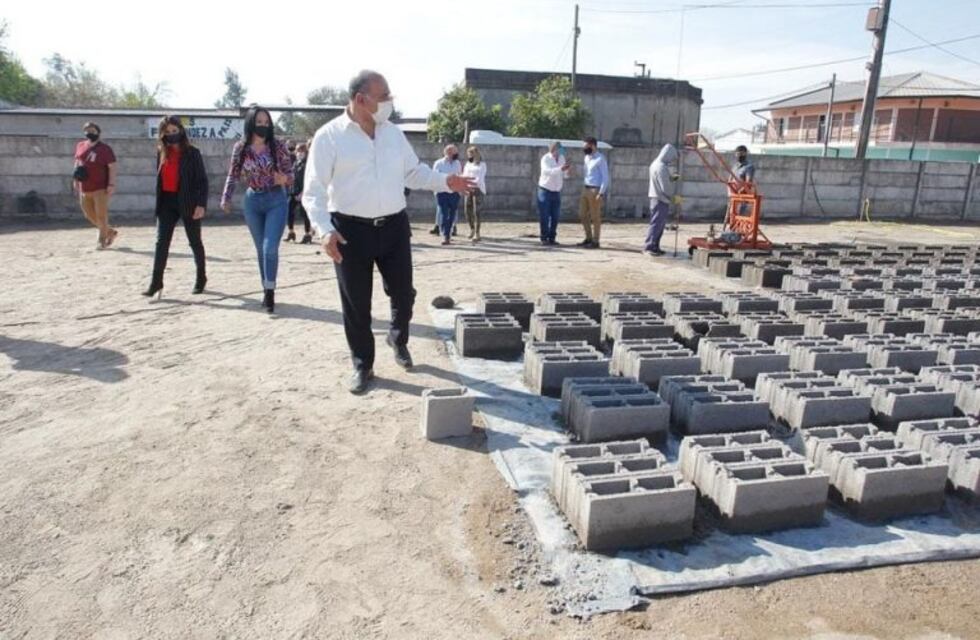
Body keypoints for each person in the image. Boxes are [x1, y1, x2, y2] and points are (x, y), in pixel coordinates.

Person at [302, 70, 475, 394]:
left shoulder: (393, 134)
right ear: (360, 99)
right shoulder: (329, 137)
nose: (389, 102)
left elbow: (413, 172)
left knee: (403, 294)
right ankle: (362, 364)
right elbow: (313, 192)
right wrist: (324, 231)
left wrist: (445, 181)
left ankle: (398, 339)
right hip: (349, 231)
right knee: (356, 304)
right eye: (383, 96)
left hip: (394, 226)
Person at [220, 105, 294, 313]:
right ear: (250, 123)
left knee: (270, 247)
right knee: (260, 248)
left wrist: (284, 179)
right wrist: (226, 197)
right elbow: (233, 174)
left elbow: (291, 175)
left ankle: (270, 292)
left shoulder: (277, 146)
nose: (263, 125)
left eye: (266, 122)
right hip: (252, 200)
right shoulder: (241, 148)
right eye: (259, 122)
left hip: (275, 199)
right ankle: (266, 288)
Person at [142, 115, 209, 298]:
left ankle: (201, 277)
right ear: (162, 134)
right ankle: (156, 282)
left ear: (181, 130)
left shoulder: (193, 153)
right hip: (166, 202)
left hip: (188, 201)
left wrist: (201, 204)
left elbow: (202, 181)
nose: (171, 134)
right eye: (167, 132)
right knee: (161, 242)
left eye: (174, 130)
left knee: (194, 241)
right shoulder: (161, 152)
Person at [73, 122, 118, 250]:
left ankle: (101, 240)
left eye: (92, 131)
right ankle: (110, 232)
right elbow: (77, 162)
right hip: (84, 186)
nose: (89, 133)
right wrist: (75, 179)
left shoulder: (105, 149)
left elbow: (112, 166)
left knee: (101, 215)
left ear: (98, 132)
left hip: (100, 187)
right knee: (88, 214)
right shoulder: (80, 145)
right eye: (87, 131)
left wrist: (111, 184)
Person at [643, 143, 681, 257]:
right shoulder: (661, 167)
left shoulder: (655, 164)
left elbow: (662, 181)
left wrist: (671, 178)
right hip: (660, 199)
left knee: (658, 224)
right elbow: (665, 188)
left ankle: (655, 246)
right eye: (672, 158)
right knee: (656, 224)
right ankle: (649, 247)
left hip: (656, 197)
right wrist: (674, 198)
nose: (672, 161)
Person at [577, 136, 609, 249]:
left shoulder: (600, 159)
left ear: (593, 146)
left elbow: (605, 177)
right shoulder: (586, 158)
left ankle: (596, 241)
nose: (584, 149)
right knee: (582, 214)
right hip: (585, 188)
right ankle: (588, 238)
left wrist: (601, 193)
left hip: (595, 189)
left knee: (595, 217)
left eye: (586, 146)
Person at [537, 141, 569, 246]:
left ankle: (552, 238)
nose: (561, 151)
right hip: (545, 190)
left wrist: (567, 171)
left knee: (555, 216)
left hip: (556, 191)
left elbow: (564, 174)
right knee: (545, 216)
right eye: (560, 148)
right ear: (554, 149)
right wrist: (560, 169)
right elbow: (547, 171)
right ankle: (544, 238)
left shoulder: (562, 158)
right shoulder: (546, 158)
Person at [433, 144, 462, 245]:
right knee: (444, 214)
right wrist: (436, 191)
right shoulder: (438, 163)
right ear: (448, 152)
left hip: (454, 193)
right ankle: (446, 235)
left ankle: (448, 233)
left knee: (452, 215)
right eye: (454, 151)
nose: (456, 153)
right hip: (442, 192)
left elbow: (459, 176)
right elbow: (434, 177)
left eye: (455, 151)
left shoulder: (457, 163)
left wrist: (459, 191)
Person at [286, 142, 312, 244]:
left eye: (302, 151)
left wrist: (302, 192)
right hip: (293, 191)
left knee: (304, 213)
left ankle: (307, 234)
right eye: (298, 151)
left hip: (303, 191)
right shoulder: (296, 163)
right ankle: (291, 232)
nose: (299, 153)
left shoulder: (307, 164)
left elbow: (308, 180)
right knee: (289, 211)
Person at [462, 146, 487, 242]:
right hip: (468, 188)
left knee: (477, 211)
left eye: (471, 154)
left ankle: (477, 233)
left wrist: (474, 184)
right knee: (467, 210)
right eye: (469, 154)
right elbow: (464, 175)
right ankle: (471, 228)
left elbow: (480, 177)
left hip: (478, 189)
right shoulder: (468, 164)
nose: (470, 156)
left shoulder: (482, 164)